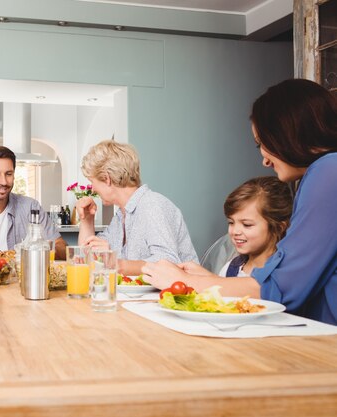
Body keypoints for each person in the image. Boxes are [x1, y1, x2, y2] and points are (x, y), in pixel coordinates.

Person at [143, 79, 337, 325]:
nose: (264, 160)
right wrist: (215, 282)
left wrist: (183, 282)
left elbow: (281, 291)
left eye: (262, 144)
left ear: (288, 133)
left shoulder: (328, 172)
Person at [75, 140, 198, 276]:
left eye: (92, 182)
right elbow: (88, 257)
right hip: (142, 296)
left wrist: (117, 263)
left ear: (107, 178)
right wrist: (86, 219)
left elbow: (169, 262)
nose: (92, 189)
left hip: (181, 295)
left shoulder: (152, 205)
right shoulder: (120, 216)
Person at [219, 176, 292, 277]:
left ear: (278, 228)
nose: (235, 231)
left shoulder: (288, 275)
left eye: (246, 225)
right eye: (231, 222)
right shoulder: (229, 270)